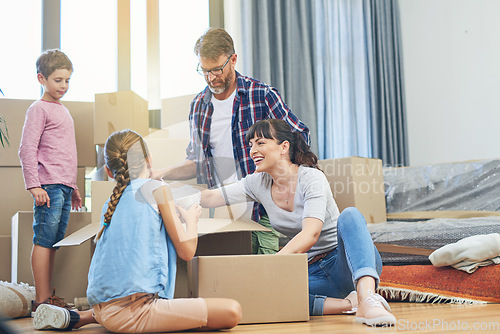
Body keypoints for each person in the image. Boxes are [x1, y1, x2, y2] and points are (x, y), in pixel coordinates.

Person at [32, 129, 242, 332]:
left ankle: (83, 317)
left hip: (101, 306)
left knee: (117, 309)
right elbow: (187, 252)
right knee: (232, 311)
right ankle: (100, 318)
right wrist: (192, 220)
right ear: (149, 160)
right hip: (135, 312)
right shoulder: (157, 189)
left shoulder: (109, 203)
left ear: (108, 170)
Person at [200, 119, 397, 326]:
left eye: (260, 143)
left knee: (350, 215)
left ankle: (367, 298)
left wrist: (268, 267)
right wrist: (169, 199)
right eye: (251, 145)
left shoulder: (311, 178)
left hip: (344, 263)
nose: (252, 151)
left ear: (284, 146)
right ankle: (348, 304)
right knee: (262, 292)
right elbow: (211, 198)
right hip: (311, 273)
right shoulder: (257, 183)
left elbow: (310, 234)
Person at [154, 28, 310, 255]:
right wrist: (160, 173)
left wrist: (275, 170)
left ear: (233, 60)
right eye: (204, 71)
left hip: (262, 211)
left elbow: (301, 136)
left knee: (266, 280)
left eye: (217, 70)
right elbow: (197, 164)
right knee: (224, 282)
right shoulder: (199, 106)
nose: (210, 78)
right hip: (221, 213)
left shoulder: (261, 95)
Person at [18, 49, 82, 313]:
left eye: (67, 80)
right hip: (48, 187)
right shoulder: (38, 109)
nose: (64, 86)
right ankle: (41, 300)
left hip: (63, 187)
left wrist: (74, 187)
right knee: (44, 239)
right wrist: (34, 185)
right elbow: (27, 149)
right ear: (41, 79)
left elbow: (66, 154)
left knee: (54, 240)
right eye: (58, 80)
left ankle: (48, 296)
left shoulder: (62, 110)